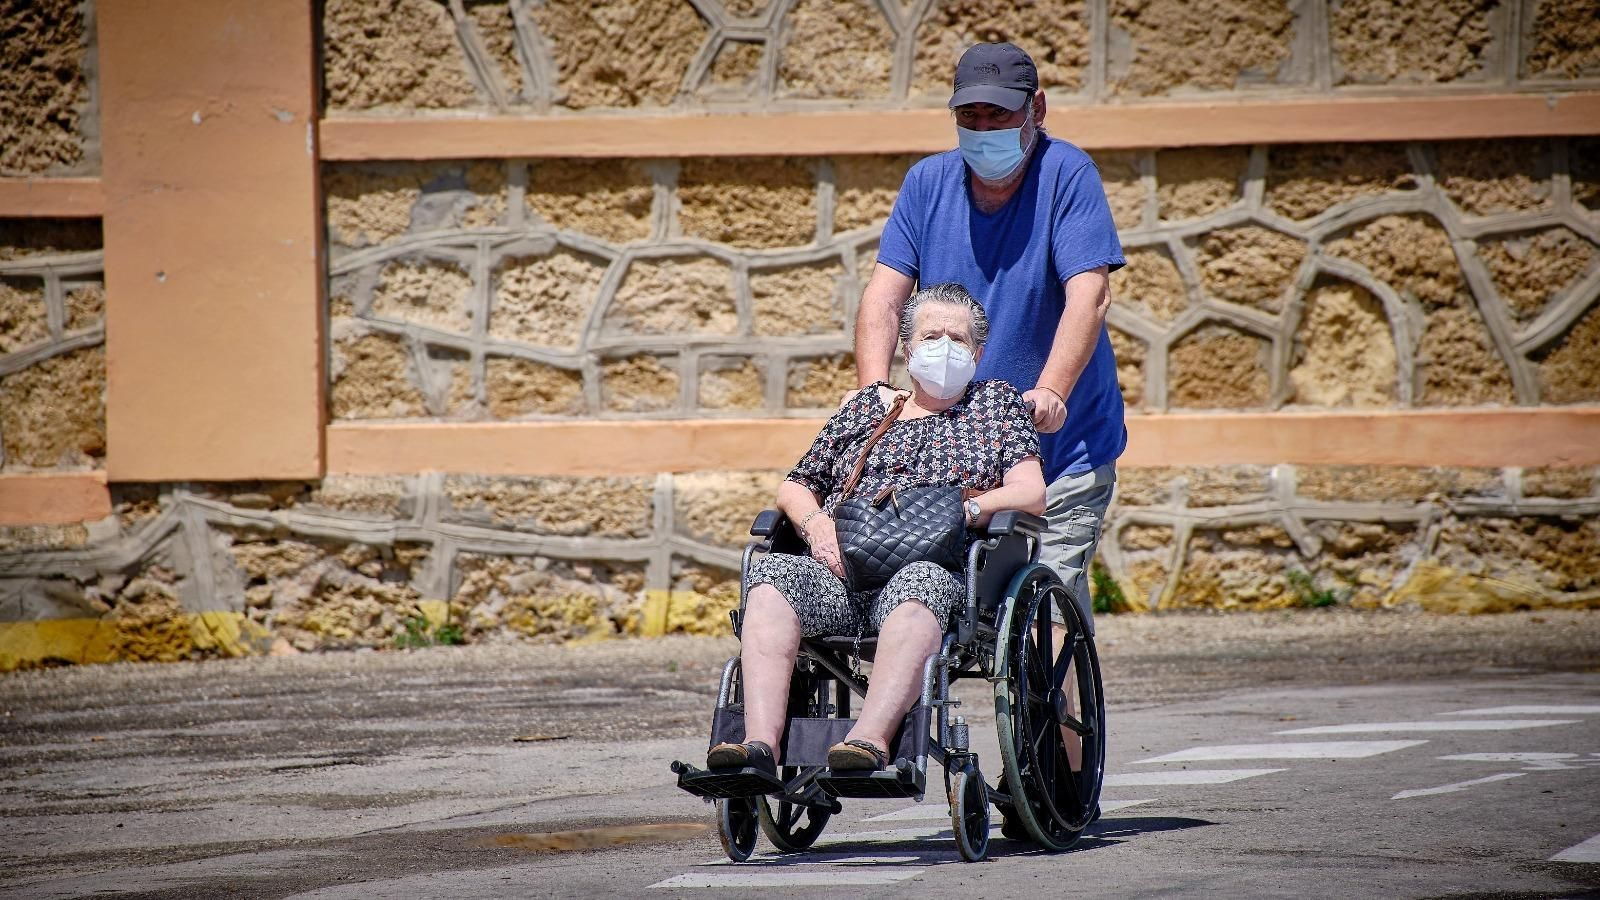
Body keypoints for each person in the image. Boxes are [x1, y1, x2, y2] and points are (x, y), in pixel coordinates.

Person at [707, 283, 1045, 780]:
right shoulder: (868, 408)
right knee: (772, 578)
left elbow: (1030, 492)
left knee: (919, 583)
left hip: (936, 571)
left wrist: (967, 508)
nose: (945, 347)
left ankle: (869, 740)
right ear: (907, 348)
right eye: (932, 336)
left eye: (958, 339)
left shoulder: (995, 404)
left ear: (978, 352)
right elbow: (796, 486)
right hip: (842, 569)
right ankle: (758, 744)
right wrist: (818, 526)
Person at [855, 41, 1125, 640]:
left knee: (1050, 624)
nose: (983, 129)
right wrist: (874, 393)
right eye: (969, 116)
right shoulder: (927, 184)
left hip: (1061, 447)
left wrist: (1051, 390)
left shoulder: (1067, 174)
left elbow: (1090, 296)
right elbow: (883, 295)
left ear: (1038, 110)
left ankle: (1069, 733)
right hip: (959, 453)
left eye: (1000, 114)